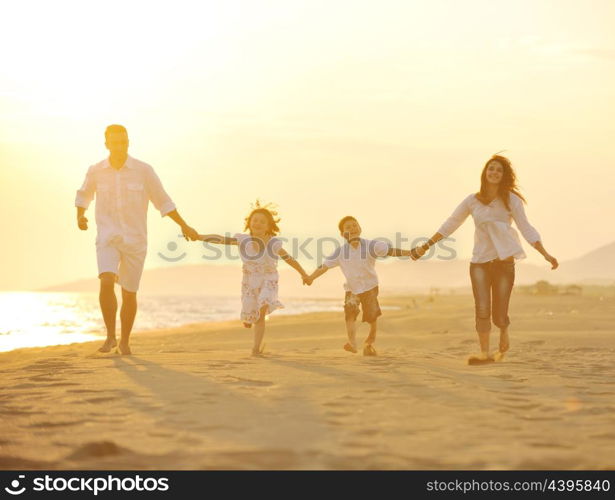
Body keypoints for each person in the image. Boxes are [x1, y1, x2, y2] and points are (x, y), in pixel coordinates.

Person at [410, 154, 558, 363]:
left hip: (504, 262)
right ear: (484, 173)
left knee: (499, 312)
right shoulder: (472, 201)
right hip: (479, 262)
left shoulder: (511, 200)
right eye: (491, 169)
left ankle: (504, 329)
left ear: (503, 175)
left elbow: (526, 227)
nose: (494, 172)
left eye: (499, 170)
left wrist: (545, 253)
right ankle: (485, 353)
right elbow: (450, 224)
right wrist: (425, 247)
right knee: (481, 308)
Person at [75, 125, 198, 355]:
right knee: (106, 279)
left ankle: (125, 341)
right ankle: (110, 336)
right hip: (107, 237)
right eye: (115, 142)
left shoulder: (143, 171)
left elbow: (163, 201)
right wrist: (80, 216)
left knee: (129, 293)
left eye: (123, 142)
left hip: (135, 240)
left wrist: (184, 225)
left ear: (128, 142)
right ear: (107, 144)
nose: (119, 146)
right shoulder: (96, 171)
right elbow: (84, 194)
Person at [198, 202, 309, 356]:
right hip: (250, 281)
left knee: (261, 311)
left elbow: (289, 259)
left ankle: (255, 349)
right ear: (249, 222)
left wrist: (303, 273)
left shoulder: (273, 243)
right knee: (250, 310)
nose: (258, 223)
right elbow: (221, 239)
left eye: (262, 221)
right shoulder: (243, 240)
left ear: (269, 226)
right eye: (255, 220)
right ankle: (248, 317)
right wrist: (198, 237)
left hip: (268, 280)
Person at [304, 216, 414, 356]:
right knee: (350, 312)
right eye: (348, 227)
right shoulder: (340, 252)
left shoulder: (371, 245)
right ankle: (352, 343)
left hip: (370, 286)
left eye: (355, 225)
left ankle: (369, 342)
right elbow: (324, 266)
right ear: (342, 234)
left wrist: (410, 252)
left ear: (360, 229)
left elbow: (391, 251)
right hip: (352, 288)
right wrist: (311, 278)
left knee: (371, 316)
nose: (352, 229)